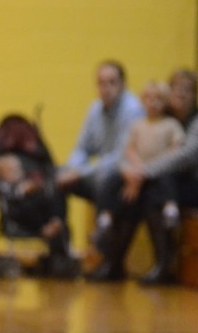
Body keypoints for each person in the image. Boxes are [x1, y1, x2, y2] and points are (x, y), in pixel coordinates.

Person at [114, 68, 198, 284]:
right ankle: (114, 261)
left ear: (195, 95)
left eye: (187, 90)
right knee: (123, 186)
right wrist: (130, 171)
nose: (181, 94)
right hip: (168, 181)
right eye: (176, 89)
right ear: (168, 93)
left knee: (154, 189)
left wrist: (143, 172)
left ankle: (164, 264)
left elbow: (185, 157)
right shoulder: (159, 120)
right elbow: (130, 147)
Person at [88, 80, 185, 283]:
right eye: (148, 99)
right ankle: (108, 232)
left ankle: (163, 261)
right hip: (136, 174)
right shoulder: (137, 125)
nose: (153, 104)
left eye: (158, 100)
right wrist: (134, 172)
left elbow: (176, 152)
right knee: (114, 185)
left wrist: (145, 172)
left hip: (158, 174)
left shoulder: (171, 125)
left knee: (155, 193)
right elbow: (127, 151)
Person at [55, 60, 144, 274]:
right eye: (101, 83)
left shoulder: (133, 110)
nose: (106, 88)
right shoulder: (94, 110)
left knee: (107, 179)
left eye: (112, 82)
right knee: (56, 178)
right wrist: (71, 169)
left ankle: (105, 251)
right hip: (97, 174)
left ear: (123, 84)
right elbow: (82, 147)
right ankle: (60, 249)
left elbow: (120, 156)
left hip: (124, 175)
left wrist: (81, 172)